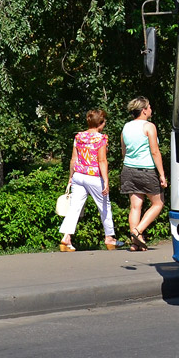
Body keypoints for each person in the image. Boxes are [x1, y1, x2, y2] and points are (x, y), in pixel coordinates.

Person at [59, 108, 118, 252]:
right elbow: (102, 160)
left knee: (75, 207)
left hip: (78, 176)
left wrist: (70, 178)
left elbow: (74, 159)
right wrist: (106, 181)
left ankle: (66, 238)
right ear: (101, 123)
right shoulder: (101, 139)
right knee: (104, 206)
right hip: (94, 177)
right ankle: (109, 238)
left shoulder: (79, 137)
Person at [120, 96, 168, 251]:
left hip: (128, 169)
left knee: (135, 206)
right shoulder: (149, 126)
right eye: (149, 107)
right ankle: (137, 231)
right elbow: (155, 151)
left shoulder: (126, 127)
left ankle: (135, 243)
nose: (151, 109)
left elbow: (123, 150)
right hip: (147, 170)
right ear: (144, 110)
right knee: (158, 203)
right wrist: (161, 174)